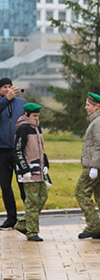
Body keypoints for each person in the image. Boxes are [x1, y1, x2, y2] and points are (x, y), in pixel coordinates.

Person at [76, 92, 100, 239]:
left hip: (95, 164)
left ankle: (93, 226)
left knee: (81, 192)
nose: (86, 107)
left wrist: (94, 167)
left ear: (97, 107)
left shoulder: (98, 122)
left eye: (88, 105)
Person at [12, 103, 48, 241]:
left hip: (39, 170)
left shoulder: (37, 128)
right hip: (28, 172)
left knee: (42, 197)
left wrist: (46, 163)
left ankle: (22, 224)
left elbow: (41, 149)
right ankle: (32, 232)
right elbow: (18, 150)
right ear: (26, 115)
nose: (36, 118)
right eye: (34, 116)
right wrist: (24, 169)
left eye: (38, 116)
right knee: (32, 201)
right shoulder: (23, 128)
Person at [0, 77, 25, 230]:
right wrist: (5, 100)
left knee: (23, 184)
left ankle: (29, 216)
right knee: (5, 186)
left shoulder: (21, 103)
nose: (8, 89)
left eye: (10, 86)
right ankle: (11, 218)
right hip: (2, 151)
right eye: (4, 87)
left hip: (18, 150)